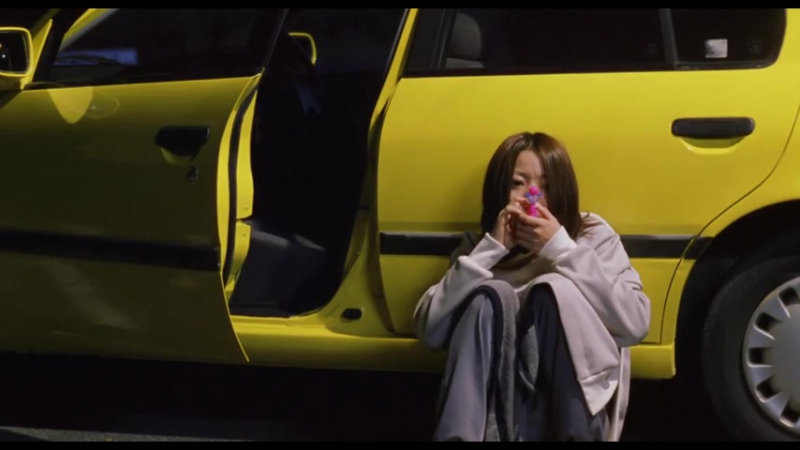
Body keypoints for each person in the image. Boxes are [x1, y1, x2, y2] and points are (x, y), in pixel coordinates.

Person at [413, 131, 651, 441]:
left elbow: (635, 324)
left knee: (553, 290)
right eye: (517, 183)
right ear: (499, 189)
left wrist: (561, 249)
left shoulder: (590, 235)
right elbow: (429, 331)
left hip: (568, 413)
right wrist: (490, 250)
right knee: (489, 296)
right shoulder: (478, 248)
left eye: (545, 186)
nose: (532, 196)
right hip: (494, 416)